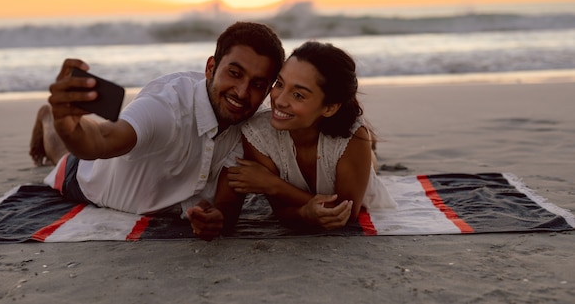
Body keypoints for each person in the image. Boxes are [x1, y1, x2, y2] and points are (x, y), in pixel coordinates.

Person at [28, 22, 285, 240]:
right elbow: (101, 139)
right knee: (61, 152)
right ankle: (50, 119)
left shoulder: (251, 127)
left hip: (165, 196)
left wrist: (216, 218)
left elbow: (227, 208)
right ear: (210, 68)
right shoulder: (166, 107)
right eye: (234, 73)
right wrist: (66, 123)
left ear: (267, 91)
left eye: (257, 84)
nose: (241, 92)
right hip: (87, 176)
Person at [191, 41, 396, 238]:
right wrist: (304, 213)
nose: (279, 101)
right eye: (279, 84)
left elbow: (345, 212)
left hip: (345, 145)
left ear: (329, 107)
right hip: (328, 149)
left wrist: (273, 184)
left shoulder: (352, 137)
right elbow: (281, 212)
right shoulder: (258, 134)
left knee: (370, 164)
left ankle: (370, 151)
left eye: (298, 95)